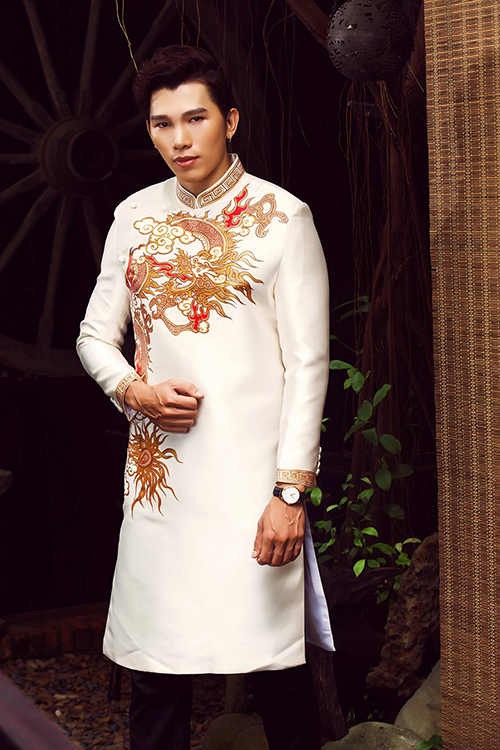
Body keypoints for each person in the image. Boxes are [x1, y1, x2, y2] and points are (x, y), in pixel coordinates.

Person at [76, 44, 334, 750]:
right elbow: (93, 337)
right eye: (163, 124)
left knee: (275, 670)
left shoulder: (283, 218)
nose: (180, 139)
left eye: (196, 118)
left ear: (231, 120)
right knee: (156, 676)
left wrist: (290, 493)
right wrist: (135, 390)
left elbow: (308, 364)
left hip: (254, 491)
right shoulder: (134, 216)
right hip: (161, 490)